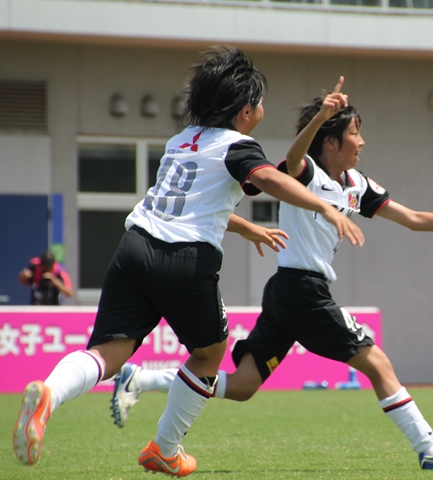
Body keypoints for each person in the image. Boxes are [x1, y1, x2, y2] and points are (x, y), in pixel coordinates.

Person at [110, 77, 433, 471]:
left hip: (287, 293)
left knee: (244, 386)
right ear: (331, 143)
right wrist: (320, 118)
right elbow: (295, 157)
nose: (362, 142)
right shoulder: (307, 173)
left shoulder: (357, 185)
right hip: (303, 291)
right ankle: (429, 448)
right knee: (379, 364)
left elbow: (413, 218)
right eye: (355, 133)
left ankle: (141, 379)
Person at [12, 47, 364, 477]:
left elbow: (192, 204)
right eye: (261, 103)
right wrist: (325, 207)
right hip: (185, 259)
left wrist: (246, 228)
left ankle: (48, 393)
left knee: (108, 353)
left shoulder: (181, 141)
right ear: (246, 109)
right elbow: (270, 176)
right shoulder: (238, 146)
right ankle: (165, 448)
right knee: (210, 352)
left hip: (134, 246)